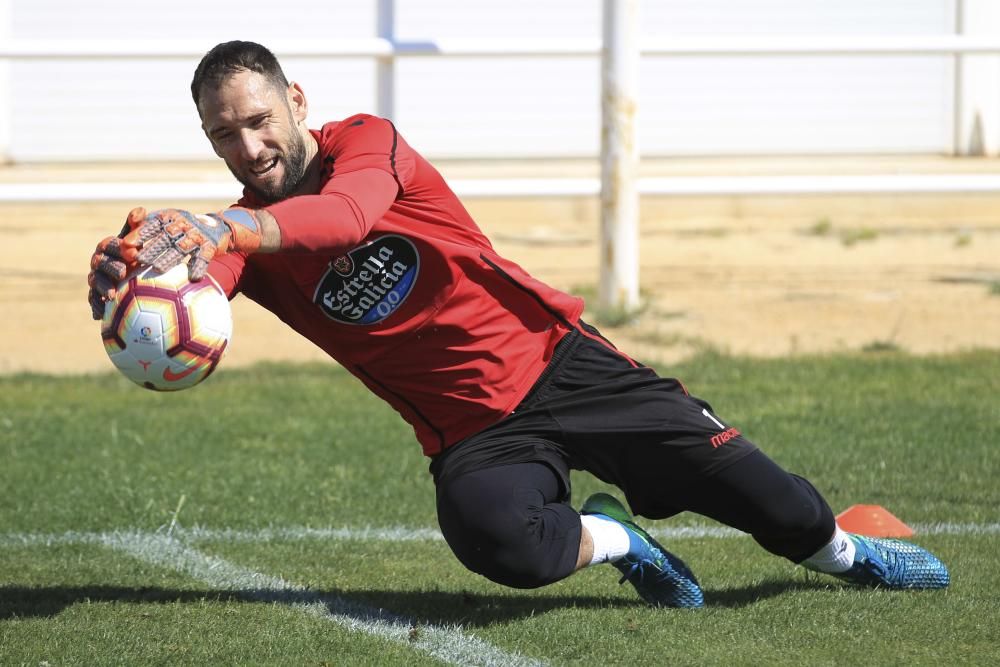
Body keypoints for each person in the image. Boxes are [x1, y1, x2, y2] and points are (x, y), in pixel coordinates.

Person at [87, 41, 949, 607]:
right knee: (499, 544)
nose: (247, 148)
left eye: (258, 120)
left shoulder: (370, 146)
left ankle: (848, 551)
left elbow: (346, 220)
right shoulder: (243, 234)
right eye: (223, 135)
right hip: (472, 432)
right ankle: (616, 536)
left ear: (297, 102)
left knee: (775, 505)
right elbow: (201, 281)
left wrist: (229, 227)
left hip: (560, 364)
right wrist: (134, 283)